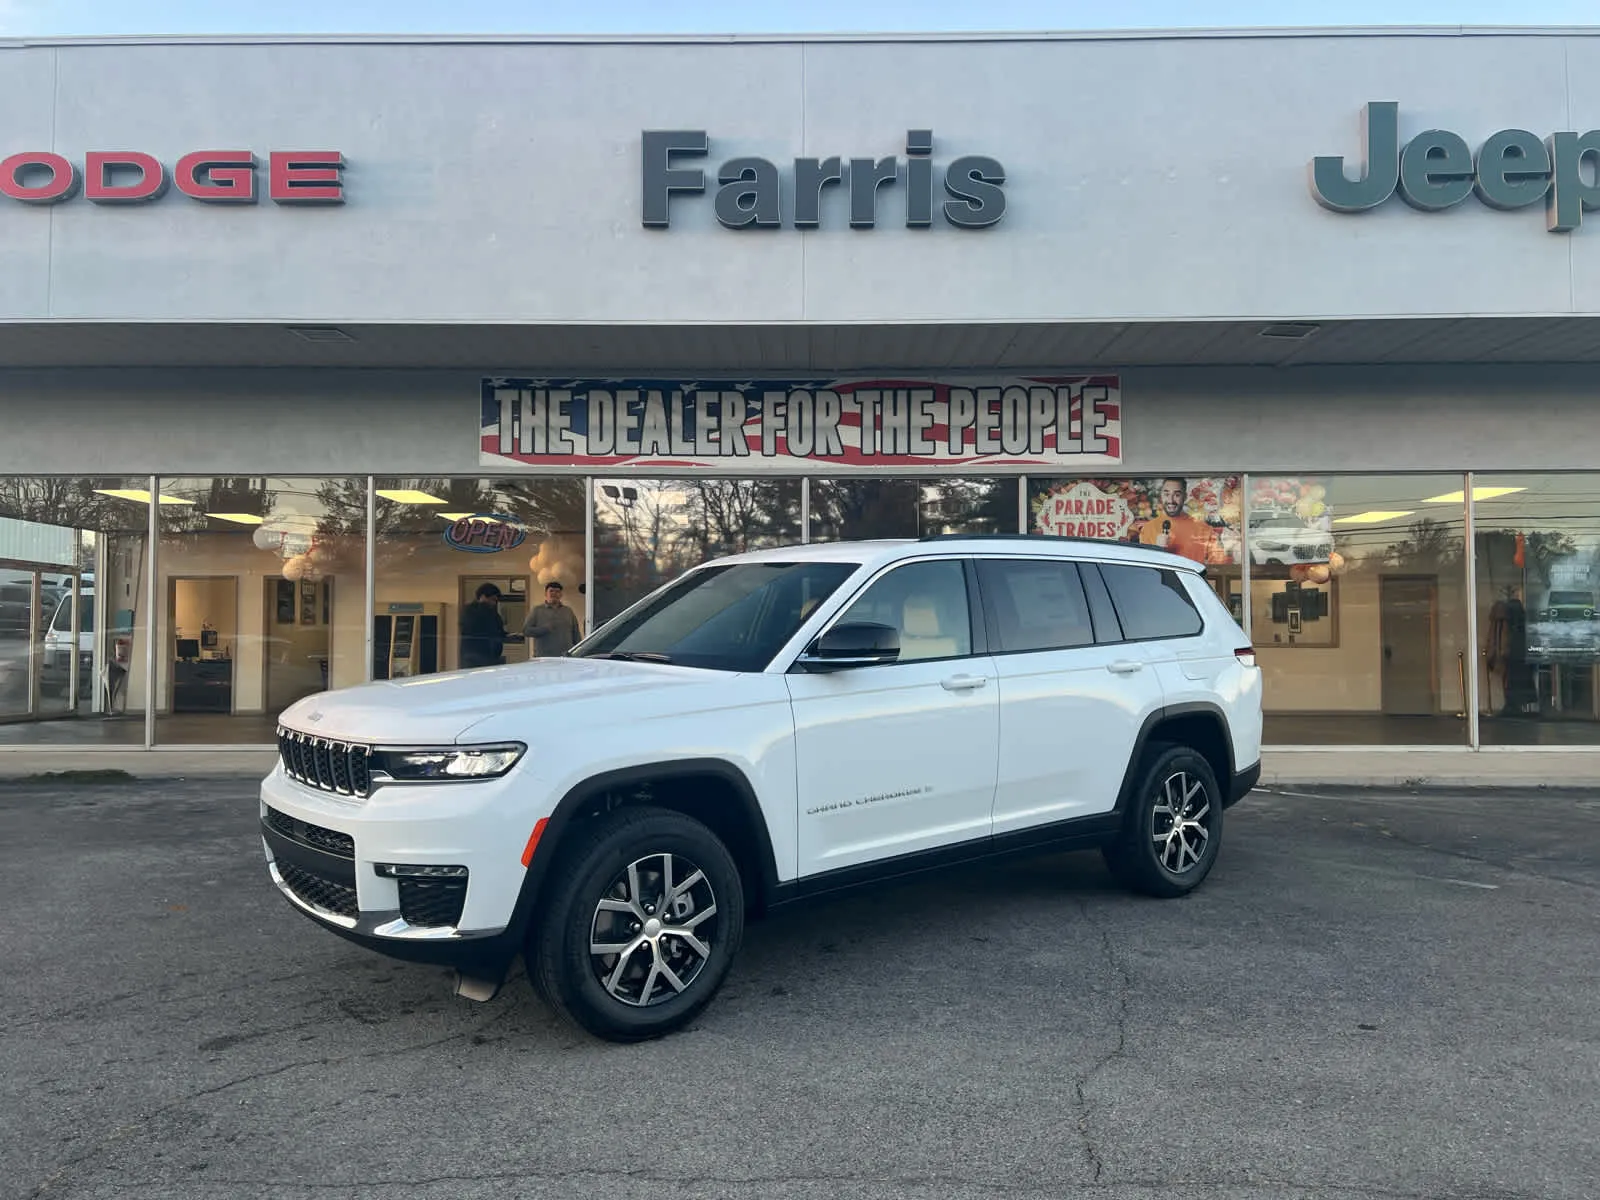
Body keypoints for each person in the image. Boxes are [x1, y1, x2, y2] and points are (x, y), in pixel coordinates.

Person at [1137, 477, 1219, 563]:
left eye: (1177, 495)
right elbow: (1144, 567)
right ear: (1161, 496)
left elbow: (1218, 566)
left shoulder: (1204, 529)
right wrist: (1157, 550)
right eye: (1167, 494)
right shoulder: (1148, 529)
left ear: (1185, 497)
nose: (1171, 500)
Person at [524, 580, 583, 658]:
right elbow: (526, 631)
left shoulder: (568, 611)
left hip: (566, 657)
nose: (554, 594)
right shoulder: (537, 610)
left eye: (557, 591)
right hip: (544, 658)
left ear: (561, 594)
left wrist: (579, 652)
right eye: (551, 591)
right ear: (545, 594)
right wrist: (544, 629)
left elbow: (576, 634)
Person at [458, 582, 508, 668]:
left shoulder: (492, 612)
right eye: (492, 599)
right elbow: (472, 628)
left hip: (490, 654)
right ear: (483, 596)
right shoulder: (470, 611)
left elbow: (498, 629)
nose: (494, 603)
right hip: (475, 655)